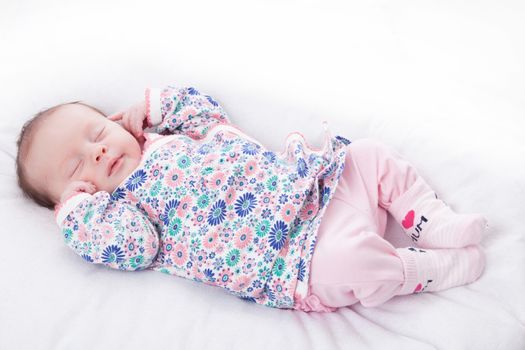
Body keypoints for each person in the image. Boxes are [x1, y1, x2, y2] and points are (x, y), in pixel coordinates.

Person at [15, 85, 487, 312]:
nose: (96, 151)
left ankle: (430, 219)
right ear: (76, 197)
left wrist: (156, 108)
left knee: (369, 154)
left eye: (97, 132)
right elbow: (134, 248)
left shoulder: (171, 137)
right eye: (77, 167)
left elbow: (205, 110)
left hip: (316, 185)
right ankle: (419, 269)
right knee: (351, 264)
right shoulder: (124, 214)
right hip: (297, 260)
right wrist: (80, 216)